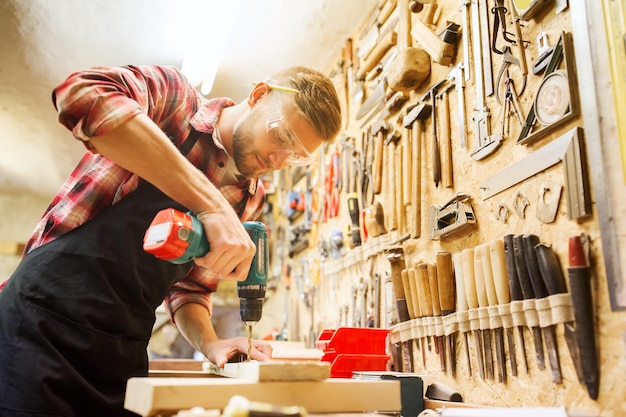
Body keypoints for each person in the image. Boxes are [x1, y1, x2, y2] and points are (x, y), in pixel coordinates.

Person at [0, 64, 341, 417]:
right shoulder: (176, 103)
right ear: (258, 96)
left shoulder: (248, 199)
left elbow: (191, 289)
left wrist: (212, 343)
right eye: (281, 137)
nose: (277, 160)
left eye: (295, 156)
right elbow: (81, 95)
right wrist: (208, 204)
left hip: (121, 350)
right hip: (41, 323)